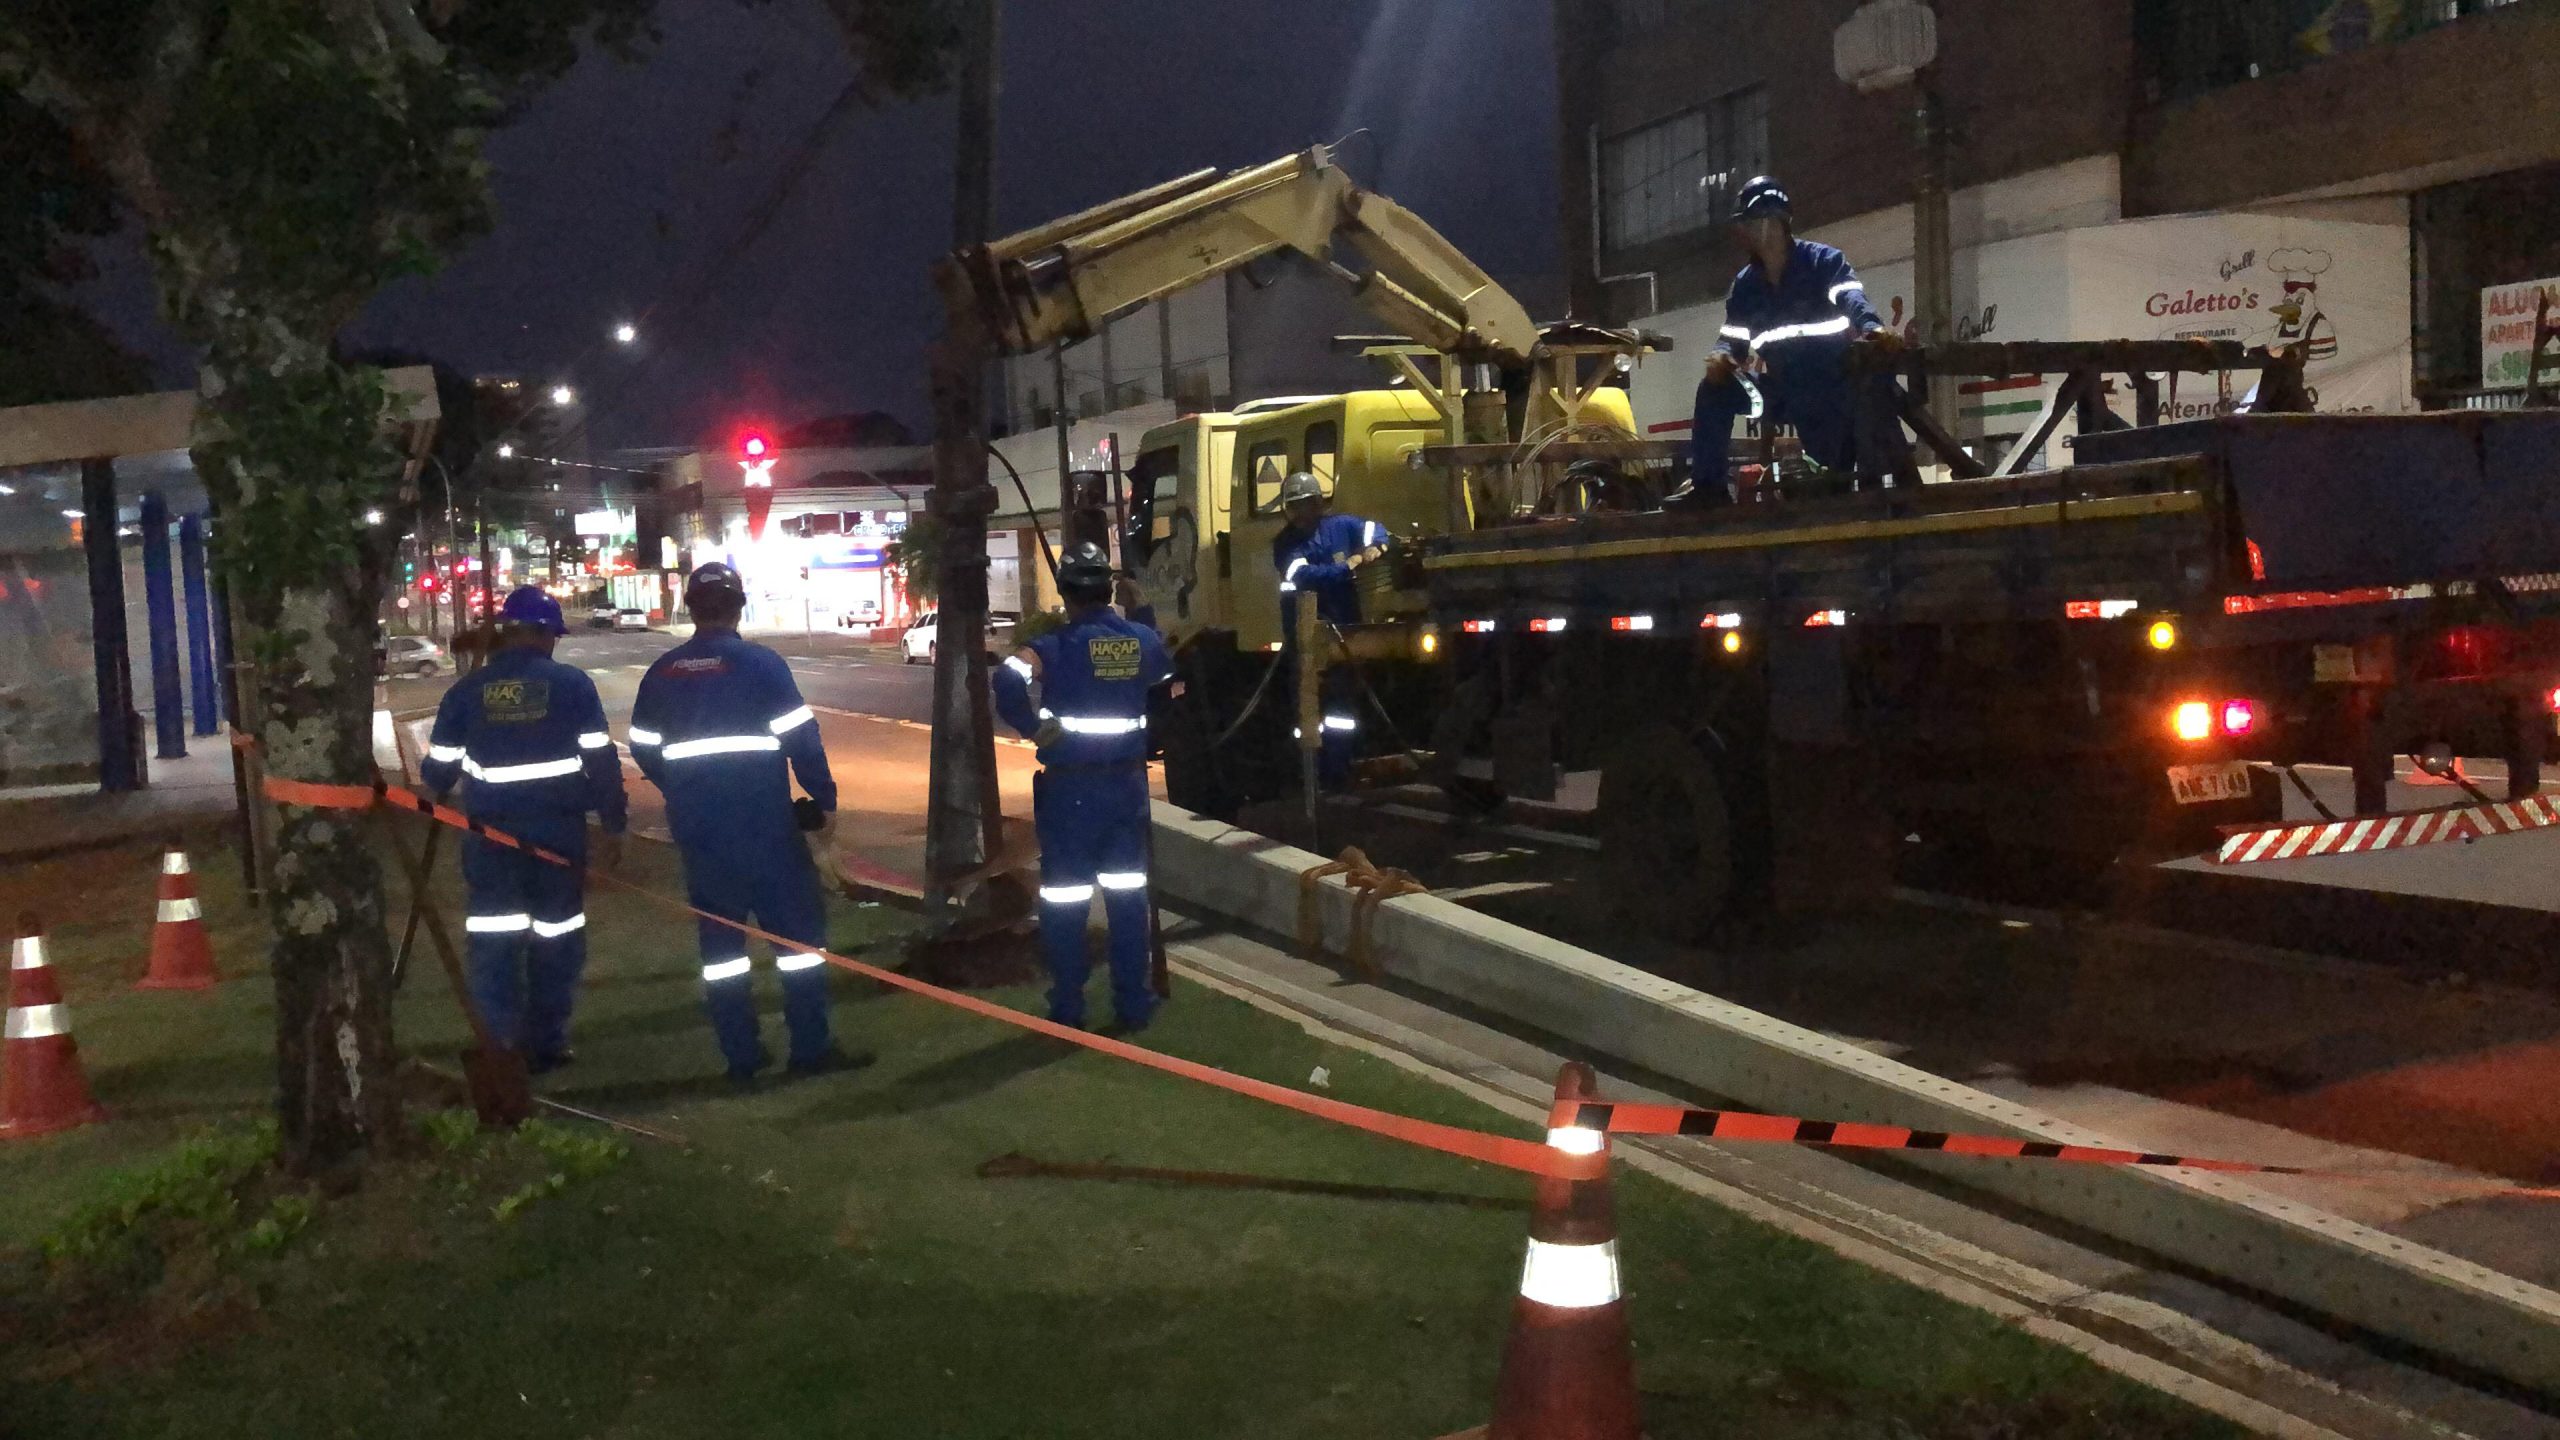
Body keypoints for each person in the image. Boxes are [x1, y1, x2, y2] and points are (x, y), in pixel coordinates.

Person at [629, 562, 859, 1085]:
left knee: (722, 949)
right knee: (798, 944)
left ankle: (741, 1058)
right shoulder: (762, 665)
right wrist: (823, 799)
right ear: (738, 607)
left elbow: (642, 748)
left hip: (700, 833)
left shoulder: (663, 672)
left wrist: (679, 789)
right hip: (766, 827)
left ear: (690, 607)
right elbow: (802, 737)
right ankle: (811, 1049)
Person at [419, 585, 626, 1073]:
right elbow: (602, 761)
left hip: (490, 840)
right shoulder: (573, 685)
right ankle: (547, 1042)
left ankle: (500, 1046)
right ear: (548, 635)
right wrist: (614, 825)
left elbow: (437, 773)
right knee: (556, 938)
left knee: (495, 941)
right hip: (558, 837)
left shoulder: (466, 692)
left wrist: (439, 785)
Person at [993, 542, 1173, 1033]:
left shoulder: (1051, 647)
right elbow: (1164, 666)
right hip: (1126, 789)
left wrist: (1032, 728)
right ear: (1108, 587)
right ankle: (1132, 1005)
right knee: (1128, 901)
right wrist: (1144, 611)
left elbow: (1007, 681)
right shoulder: (1138, 639)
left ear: (1066, 591)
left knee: (1066, 903)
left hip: (1069, 794)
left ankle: (1068, 1007)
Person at [1686, 175, 1912, 505]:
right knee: (1714, 391)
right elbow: (1732, 340)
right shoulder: (1746, 285)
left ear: (1772, 223)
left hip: (1834, 394)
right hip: (1781, 395)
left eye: (1748, 223)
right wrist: (1721, 357)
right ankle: (1709, 489)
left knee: (1832, 486)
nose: (1742, 233)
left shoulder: (1824, 263)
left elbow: (1851, 299)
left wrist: (1873, 329)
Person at [1270, 471, 1387, 789]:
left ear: (1318, 503)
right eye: (1293, 507)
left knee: (1342, 711)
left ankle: (1339, 770)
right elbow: (1302, 574)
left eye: (1305, 505)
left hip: (1344, 631)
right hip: (1307, 639)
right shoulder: (1285, 543)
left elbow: (1374, 529)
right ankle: (1313, 777)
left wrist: (1377, 545)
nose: (1299, 514)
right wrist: (1345, 567)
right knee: (1310, 709)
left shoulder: (1341, 526)